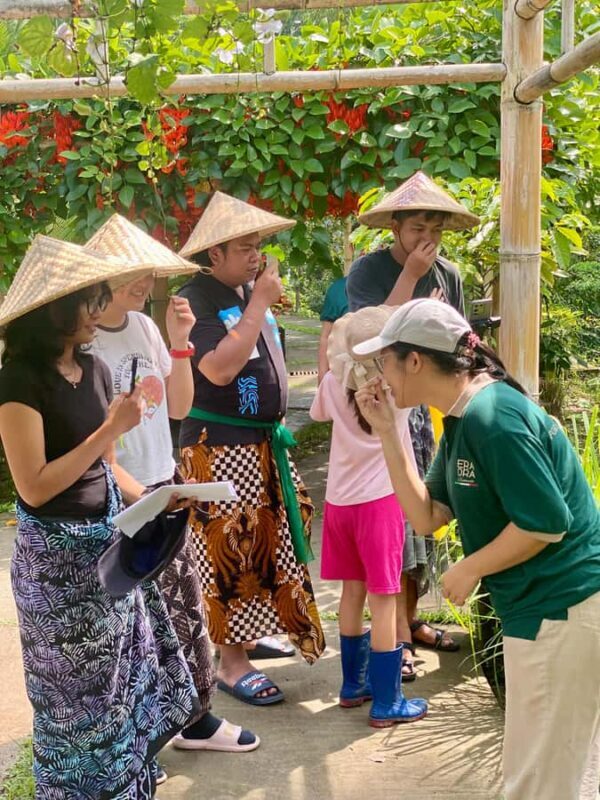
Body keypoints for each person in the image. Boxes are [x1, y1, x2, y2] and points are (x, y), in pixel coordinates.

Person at [353, 297, 600, 800]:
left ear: (415, 360)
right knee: (532, 775)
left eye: (384, 359)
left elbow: (548, 523)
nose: (379, 371)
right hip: (538, 611)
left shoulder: (493, 417)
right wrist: (386, 433)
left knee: (538, 784)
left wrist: (469, 569)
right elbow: (427, 515)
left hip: (562, 609)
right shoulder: (464, 417)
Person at [0, 235, 198, 799]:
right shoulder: (17, 381)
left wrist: (158, 498)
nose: (98, 313)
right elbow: (35, 487)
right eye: (89, 301)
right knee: (71, 709)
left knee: (119, 699)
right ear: (56, 312)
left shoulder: (94, 371)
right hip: (55, 575)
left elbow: (108, 471)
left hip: (106, 558)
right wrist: (110, 428)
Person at [87, 214, 259, 760]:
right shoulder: (84, 342)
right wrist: (138, 494)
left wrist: (180, 343)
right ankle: (142, 738)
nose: (144, 283)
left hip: (162, 482)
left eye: (147, 273)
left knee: (182, 610)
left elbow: (178, 406)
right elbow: (96, 443)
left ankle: (194, 719)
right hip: (121, 493)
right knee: (132, 627)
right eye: (130, 274)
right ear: (99, 279)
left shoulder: (142, 325)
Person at [177, 191, 325, 706]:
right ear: (213, 254)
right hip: (218, 446)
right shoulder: (194, 299)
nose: (255, 255)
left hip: (259, 442)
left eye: (258, 245)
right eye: (243, 247)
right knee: (227, 552)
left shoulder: (243, 292)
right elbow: (217, 368)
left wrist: (256, 300)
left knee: (263, 545)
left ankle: (251, 634)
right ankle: (230, 662)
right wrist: (261, 301)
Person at [346, 170, 480, 670]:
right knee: (393, 517)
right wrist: (410, 284)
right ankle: (395, 634)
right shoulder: (368, 272)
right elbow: (367, 333)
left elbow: (461, 344)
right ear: (396, 227)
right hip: (385, 402)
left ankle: (413, 616)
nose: (428, 239)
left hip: (431, 406)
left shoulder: (451, 274)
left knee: (425, 514)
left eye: (437, 229)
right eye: (418, 226)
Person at [310, 305, 427, 727]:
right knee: (384, 601)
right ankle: (387, 700)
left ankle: (352, 685)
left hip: (340, 505)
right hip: (381, 503)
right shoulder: (396, 394)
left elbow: (319, 413)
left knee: (352, 594)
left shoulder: (331, 384)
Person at [318, 275, 348, 384]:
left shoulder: (398, 283)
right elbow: (326, 336)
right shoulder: (338, 289)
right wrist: (322, 378)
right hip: (343, 377)